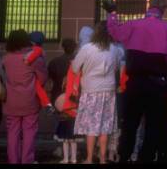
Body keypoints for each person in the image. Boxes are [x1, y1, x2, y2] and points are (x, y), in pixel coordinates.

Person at [102, 0, 167, 163]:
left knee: (130, 125)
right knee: (153, 127)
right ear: (163, 10)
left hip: (135, 84)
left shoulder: (133, 24)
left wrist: (112, 13)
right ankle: (146, 158)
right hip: (157, 86)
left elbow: (115, 33)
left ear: (149, 7)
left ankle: (124, 156)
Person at [72, 21, 121, 164]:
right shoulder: (114, 49)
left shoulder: (87, 48)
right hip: (109, 91)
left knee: (91, 126)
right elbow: (117, 68)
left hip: (91, 91)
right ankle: (103, 158)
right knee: (105, 126)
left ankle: (88, 158)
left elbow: (75, 68)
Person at [2, 29, 48, 164]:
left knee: (12, 133)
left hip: (11, 100)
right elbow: (43, 78)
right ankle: (27, 160)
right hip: (30, 100)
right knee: (29, 132)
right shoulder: (32, 58)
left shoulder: (6, 58)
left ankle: (13, 160)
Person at [24, 31, 54, 113]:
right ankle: (47, 105)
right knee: (40, 91)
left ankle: (47, 105)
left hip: (35, 77)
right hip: (39, 77)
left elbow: (30, 59)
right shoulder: (40, 51)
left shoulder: (36, 50)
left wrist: (27, 61)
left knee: (39, 90)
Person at [48, 38, 77, 104]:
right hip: (74, 96)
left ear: (63, 47)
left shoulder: (54, 62)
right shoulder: (79, 62)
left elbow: (50, 79)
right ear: (75, 48)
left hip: (57, 95)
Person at [54, 93, 79, 164]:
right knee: (70, 140)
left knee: (67, 141)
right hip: (68, 120)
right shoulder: (75, 96)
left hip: (67, 120)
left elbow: (57, 105)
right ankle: (71, 159)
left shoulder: (63, 96)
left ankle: (68, 159)